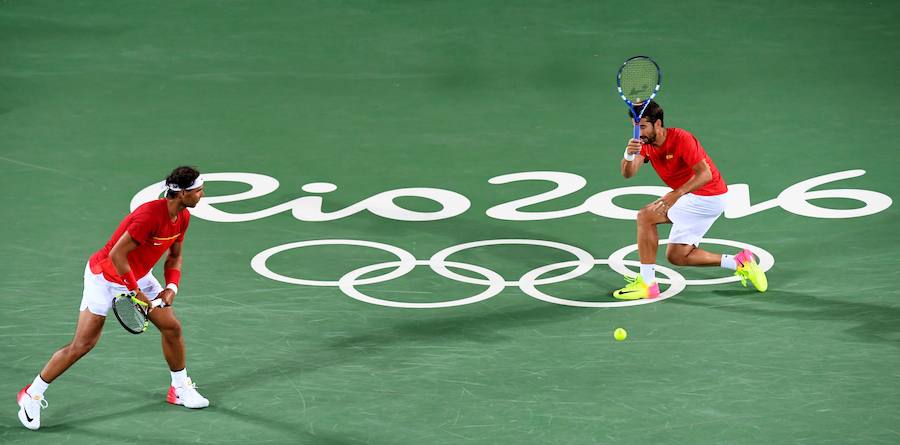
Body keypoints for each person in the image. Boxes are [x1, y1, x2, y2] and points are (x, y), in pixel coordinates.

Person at [16, 166, 209, 430]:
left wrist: (171, 287)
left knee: (172, 327)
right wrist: (135, 293)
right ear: (182, 193)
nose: (202, 195)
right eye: (198, 191)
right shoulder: (148, 217)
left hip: (137, 275)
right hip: (105, 277)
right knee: (82, 345)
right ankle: (32, 394)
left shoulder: (183, 217)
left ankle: (179, 388)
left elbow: (174, 255)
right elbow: (117, 255)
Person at [613, 102, 768, 300]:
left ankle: (647, 284)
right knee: (678, 256)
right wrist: (629, 153)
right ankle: (740, 262)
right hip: (695, 197)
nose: (638, 132)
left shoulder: (681, 139)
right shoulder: (643, 143)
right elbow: (628, 173)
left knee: (645, 216)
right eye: (634, 127)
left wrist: (675, 194)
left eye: (642, 127)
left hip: (707, 195)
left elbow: (706, 174)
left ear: (658, 124)